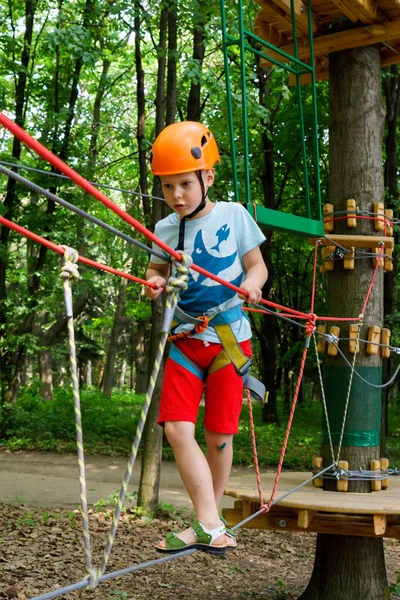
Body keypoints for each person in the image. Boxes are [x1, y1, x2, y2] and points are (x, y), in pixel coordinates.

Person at [145, 121, 268, 555]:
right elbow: (156, 270)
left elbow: (257, 266)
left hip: (229, 340)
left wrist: (252, 284)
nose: (176, 195)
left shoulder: (234, 215)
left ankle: (206, 521)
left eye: (184, 184)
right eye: (167, 187)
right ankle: (210, 522)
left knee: (218, 435)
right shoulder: (164, 229)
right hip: (184, 339)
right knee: (178, 430)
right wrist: (154, 282)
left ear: (207, 177)